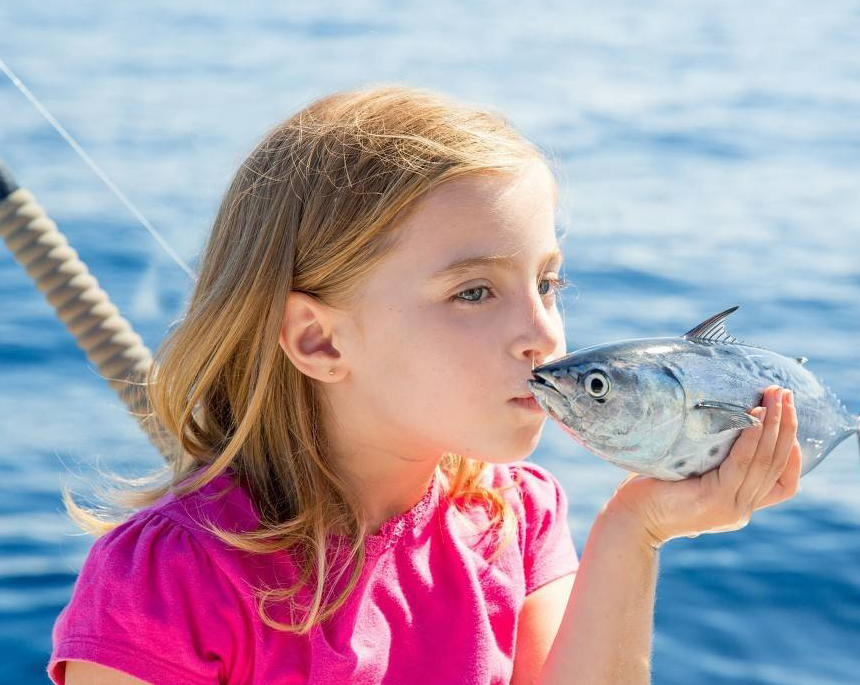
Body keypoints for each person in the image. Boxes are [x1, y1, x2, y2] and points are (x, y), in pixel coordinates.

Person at [47, 85, 802, 685]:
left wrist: (636, 531)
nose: (543, 333)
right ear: (319, 339)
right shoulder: (167, 585)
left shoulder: (518, 520)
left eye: (548, 282)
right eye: (474, 292)